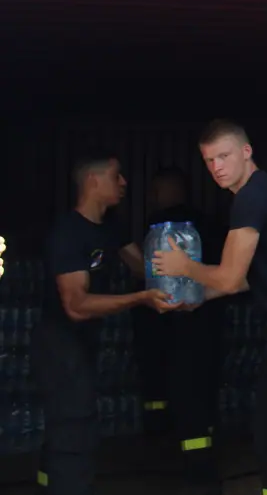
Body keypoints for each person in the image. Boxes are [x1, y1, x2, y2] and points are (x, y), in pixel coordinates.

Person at [153, 119, 267, 495]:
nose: (216, 166)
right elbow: (252, 277)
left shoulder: (253, 196)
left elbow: (231, 278)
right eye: (209, 160)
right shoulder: (259, 193)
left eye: (224, 155)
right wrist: (196, 297)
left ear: (246, 152)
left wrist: (184, 268)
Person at [33, 151, 174, 495]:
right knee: (73, 427)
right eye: (117, 176)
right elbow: (77, 305)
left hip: (83, 343)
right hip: (59, 344)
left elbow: (143, 269)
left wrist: (186, 267)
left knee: (78, 424)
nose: (124, 183)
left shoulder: (111, 227)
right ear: (93, 181)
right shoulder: (67, 232)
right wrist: (140, 299)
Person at [132, 167, 227, 494]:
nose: (152, 198)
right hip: (210, 323)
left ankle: (196, 472)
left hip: (178, 326)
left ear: (167, 191)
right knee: (204, 391)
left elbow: (151, 277)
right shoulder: (208, 225)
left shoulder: (161, 229)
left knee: (186, 397)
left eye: (156, 190)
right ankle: (204, 464)